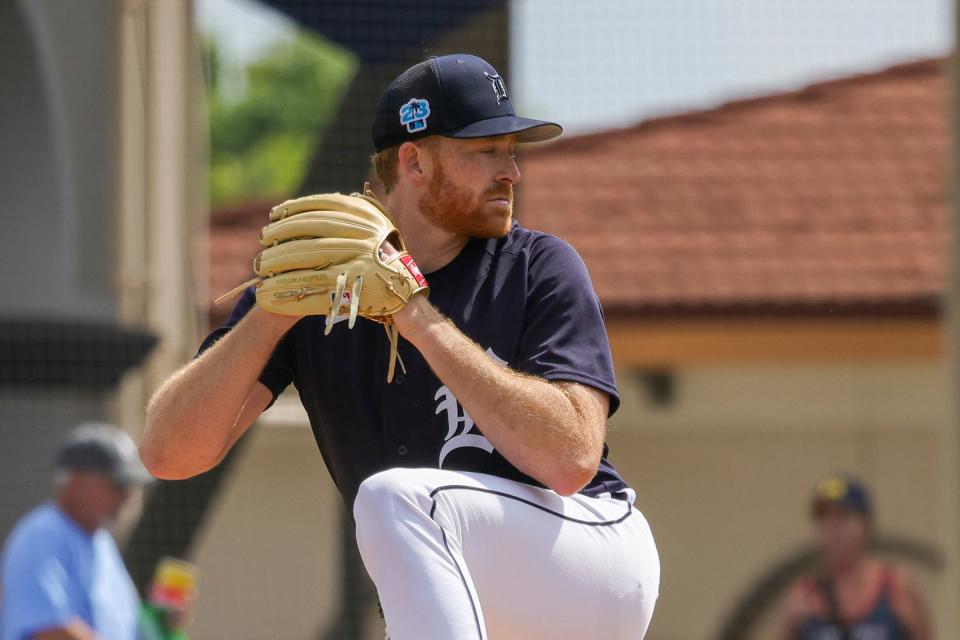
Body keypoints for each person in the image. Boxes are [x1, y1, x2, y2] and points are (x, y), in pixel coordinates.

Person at [141, 53, 660, 639]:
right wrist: (268, 314)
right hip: (459, 595)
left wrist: (417, 317)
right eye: (485, 150)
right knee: (405, 520)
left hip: (588, 559)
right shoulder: (319, 286)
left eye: (510, 149)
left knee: (396, 497)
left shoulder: (539, 266)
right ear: (413, 161)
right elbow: (168, 453)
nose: (511, 170)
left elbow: (571, 462)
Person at [0, 423, 153, 640]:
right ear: (76, 479)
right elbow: (48, 631)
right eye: (119, 483)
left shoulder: (102, 542)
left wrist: (159, 623)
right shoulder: (42, 535)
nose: (127, 496)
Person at [777, 474, 930, 640]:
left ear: (866, 524)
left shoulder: (895, 587)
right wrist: (791, 627)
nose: (833, 528)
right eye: (823, 519)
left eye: (842, 517)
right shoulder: (805, 596)